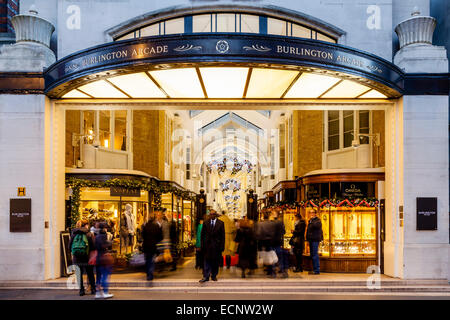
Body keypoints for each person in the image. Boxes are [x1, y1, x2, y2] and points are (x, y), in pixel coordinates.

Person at [69, 219, 96, 296]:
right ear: (86, 225)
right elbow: (93, 246)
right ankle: (93, 289)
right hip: (87, 257)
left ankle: (81, 290)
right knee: (90, 273)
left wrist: (73, 253)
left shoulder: (74, 234)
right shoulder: (89, 234)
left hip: (77, 257)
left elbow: (69, 246)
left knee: (79, 274)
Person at [199, 209, 225, 283]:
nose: (212, 215)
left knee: (215, 262)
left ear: (216, 215)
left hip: (216, 246)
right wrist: (202, 245)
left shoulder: (221, 223)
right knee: (206, 261)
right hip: (207, 246)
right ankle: (206, 276)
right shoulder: (205, 223)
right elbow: (202, 235)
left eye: (213, 214)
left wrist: (222, 246)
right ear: (209, 215)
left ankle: (214, 276)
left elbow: (223, 236)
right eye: (211, 214)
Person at [142, 211, 163, 281]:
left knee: (147, 260)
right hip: (153, 246)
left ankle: (148, 273)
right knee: (152, 260)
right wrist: (156, 241)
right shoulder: (156, 226)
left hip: (146, 245)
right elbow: (160, 236)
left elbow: (143, 236)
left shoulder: (145, 226)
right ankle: (150, 274)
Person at [94, 222, 113, 299]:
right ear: (104, 228)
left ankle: (98, 293)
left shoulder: (97, 236)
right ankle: (105, 292)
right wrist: (110, 242)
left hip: (98, 258)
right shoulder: (104, 235)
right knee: (105, 276)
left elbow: (95, 246)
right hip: (103, 258)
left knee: (98, 277)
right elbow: (104, 245)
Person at [270, 210, 288, 278]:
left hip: (273, 242)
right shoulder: (280, 223)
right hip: (278, 242)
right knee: (279, 257)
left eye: (272, 213)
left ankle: (274, 272)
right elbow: (284, 232)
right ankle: (282, 270)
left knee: (273, 257)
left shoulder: (272, 223)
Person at [306, 210, 323, 275]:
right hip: (311, 240)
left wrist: (311, 221)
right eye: (310, 212)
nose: (311, 214)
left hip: (315, 240)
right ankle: (314, 269)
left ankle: (317, 270)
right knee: (312, 255)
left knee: (315, 255)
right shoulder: (311, 221)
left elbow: (316, 226)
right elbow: (308, 230)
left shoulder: (317, 220)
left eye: (313, 212)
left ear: (315, 214)